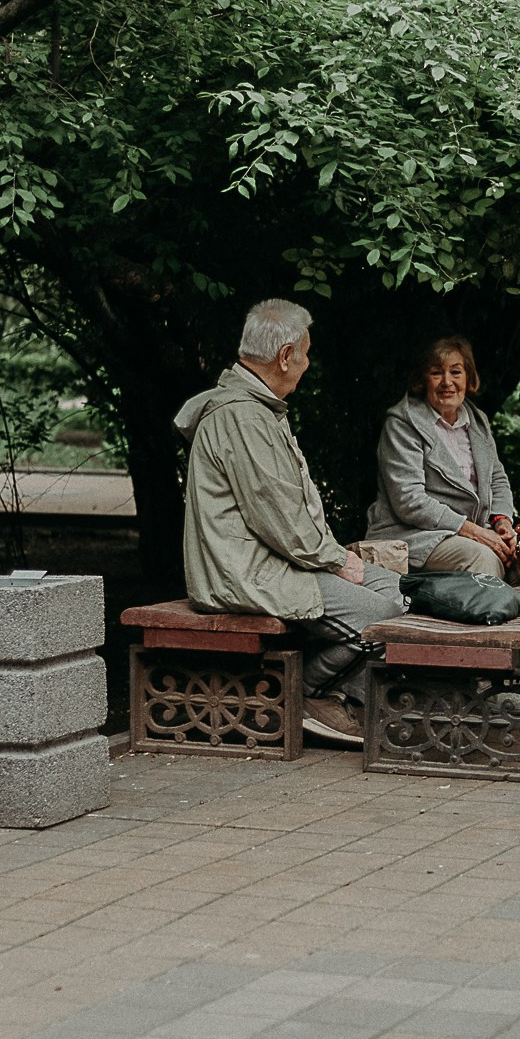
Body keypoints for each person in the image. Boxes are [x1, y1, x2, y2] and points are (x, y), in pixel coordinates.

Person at [174, 299, 405, 742]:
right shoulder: (242, 416)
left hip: (276, 561)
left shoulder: (258, 408)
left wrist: (338, 561)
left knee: (400, 591)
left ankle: (339, 698)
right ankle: (307, 695)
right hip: (246, 573)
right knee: (385, 619)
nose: (307, 363)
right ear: (285, 356)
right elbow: (280, 520)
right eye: (305, 352)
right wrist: (337, 561)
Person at [365, 336, 519, 578]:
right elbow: (409, 500)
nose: (447, 382)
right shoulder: (402, 424)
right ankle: (490, 617)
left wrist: (502, 523)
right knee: (482, 558)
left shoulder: (477, 422)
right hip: (414, 534)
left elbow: (497, 479)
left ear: (468, 378)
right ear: (422, 380)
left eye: (456, 372)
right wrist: (473, 531)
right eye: (436, 373)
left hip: (473, 532)